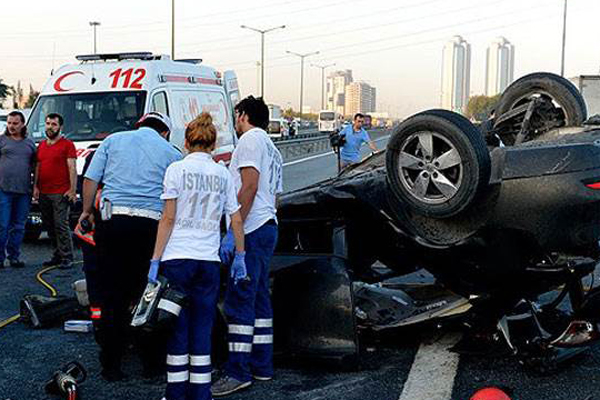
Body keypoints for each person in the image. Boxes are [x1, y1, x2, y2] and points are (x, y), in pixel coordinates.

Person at [79, 111, 181, 381]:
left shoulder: (113, 141)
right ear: (165, 132)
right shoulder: (171, 152)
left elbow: (90, 179)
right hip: (150, 228)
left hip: (113, 224)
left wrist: (87, 211)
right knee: (147, 295)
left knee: (112, 294)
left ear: (139, 125)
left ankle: (111, 366)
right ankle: (151, 365)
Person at [150, 113, 246, 400]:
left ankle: (176, 394)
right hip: (208, 261)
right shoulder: (222, 173)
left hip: (177, 259)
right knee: (203, 328)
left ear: (186, 142)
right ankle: (201, 393)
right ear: (213, 144)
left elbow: (167, 219)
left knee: (178, 328)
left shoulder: (176, 170)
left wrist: (155, 259)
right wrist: (240, 254)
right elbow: (236, 220)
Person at [212, 96, 283, 397]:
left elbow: (249, 185)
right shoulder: (272, 147)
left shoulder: (250, 140)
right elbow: (274, 194)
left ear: (242, 115)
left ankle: (238, 371)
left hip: (251, 229)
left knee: (240, 300)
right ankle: (261, 365)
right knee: (259, 300)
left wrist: (234, 230)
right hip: (268, 225)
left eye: (236, 114)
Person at [34, 113, 77, 269]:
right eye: (47, 123)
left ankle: (67, 257)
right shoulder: (42, 146)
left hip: (60, 192)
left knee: (61, 225)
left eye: (53, 124)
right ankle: (57, 255)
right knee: (49, 225)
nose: (50, 127)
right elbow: (38, 167)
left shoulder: (68, 145)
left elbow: (72, 168)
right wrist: (35, 187)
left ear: (60, 127)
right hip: (44, 192)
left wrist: (72, 190)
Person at [0, 111, 36, 268]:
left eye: (15, 123)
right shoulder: (1, 141)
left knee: (19, 226)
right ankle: (0, 258)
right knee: (3, 225)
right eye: (9, 123)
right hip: (3, 190)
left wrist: (36, 186)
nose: (11, 126)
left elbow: (36, 166)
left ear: (22, 124)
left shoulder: (30, 143)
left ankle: (14, 256)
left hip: (24, 191)